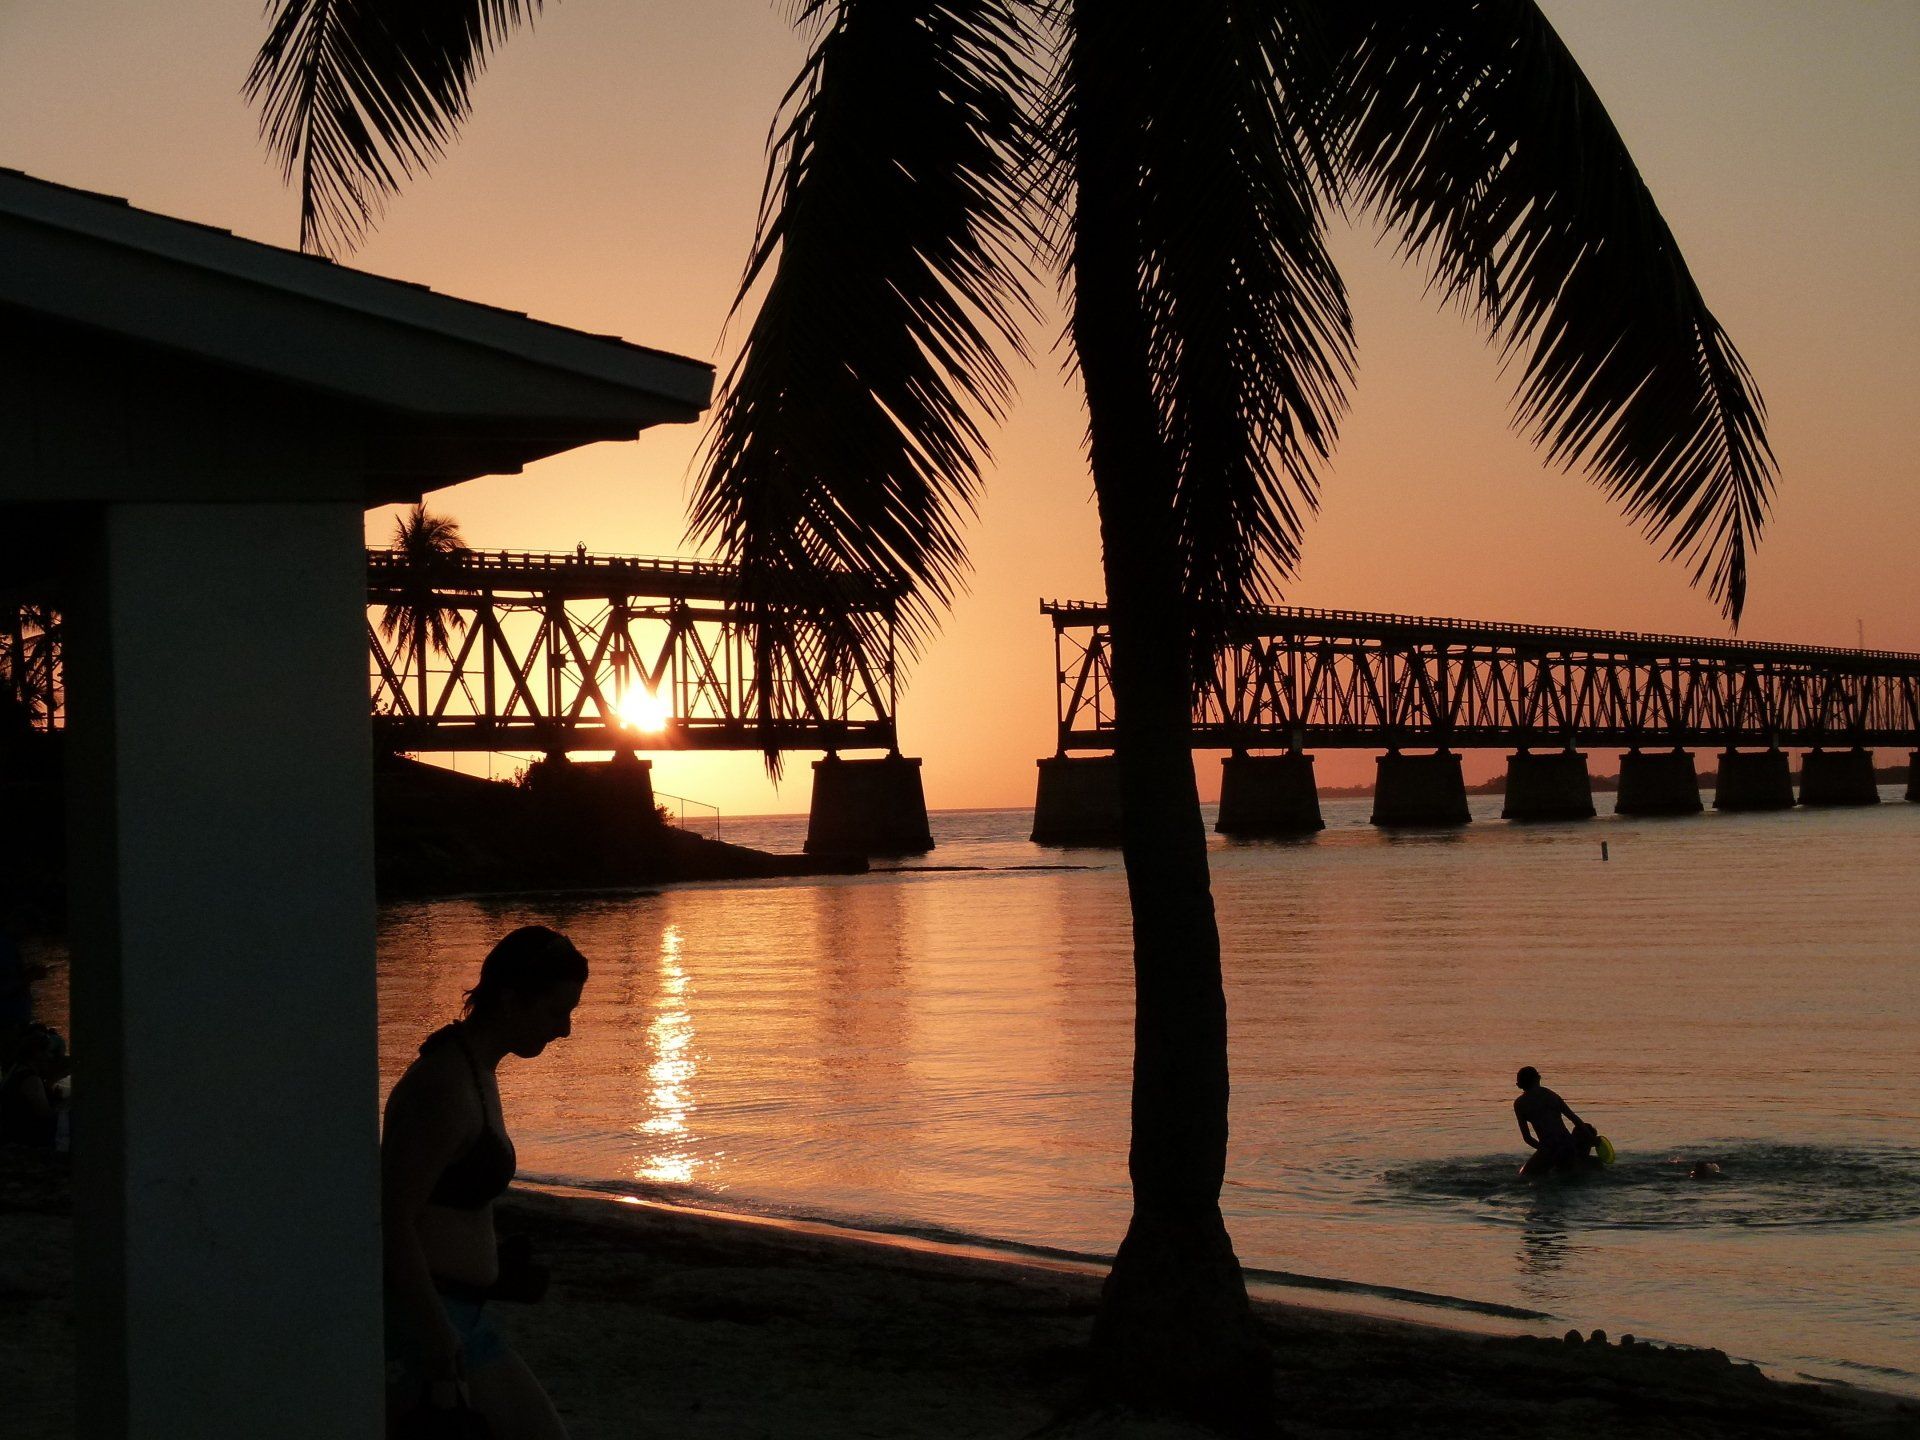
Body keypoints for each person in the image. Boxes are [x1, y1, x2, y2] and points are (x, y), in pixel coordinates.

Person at [383, 925, 587, 1438]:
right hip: (431, 1317)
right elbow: (391, 1216)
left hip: (457, 1315)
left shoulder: (475, 1071)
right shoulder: (446, 1087)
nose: (564, 1030)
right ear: (510, 999)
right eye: (555, 1012)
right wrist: (430, 1328)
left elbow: (443, 1202)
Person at [1513, 1065, 1598, 1177]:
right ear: (1538, 1078)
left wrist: (1543, 1150)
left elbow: (1527, 1138)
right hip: (1567, 1144)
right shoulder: (1550, 1095)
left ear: (1518, 1085)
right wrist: (1592, 1139)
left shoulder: (1520, 1104)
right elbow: (1574, 1119)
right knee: (1569, 1176)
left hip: (1548, 1147)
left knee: (1523, 1176)